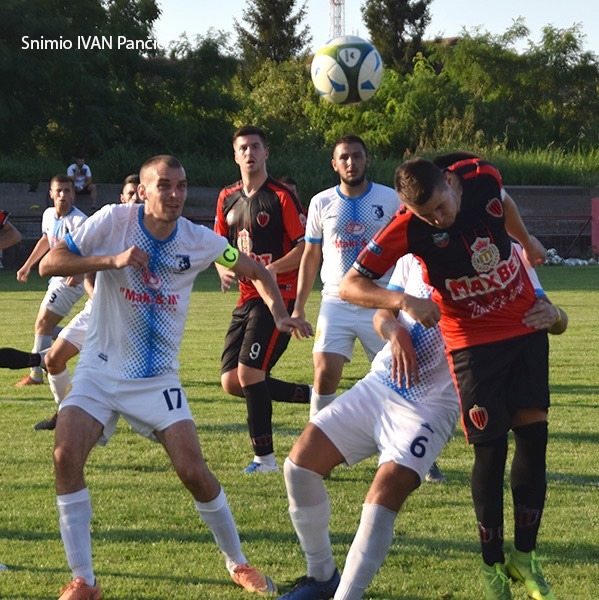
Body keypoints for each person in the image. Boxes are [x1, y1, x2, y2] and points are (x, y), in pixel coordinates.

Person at [38, 155, 312, 600]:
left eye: (181, 186)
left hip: (157, 378)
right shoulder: (112, 221)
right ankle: (84, 581)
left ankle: (238, 563)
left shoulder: (199, 239)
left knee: (193, 471)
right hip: (100, 369)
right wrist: (111, 261)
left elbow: (255, 268)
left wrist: (280, 315)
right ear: (142, 191)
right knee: (65, 456)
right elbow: (53, 262)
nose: (175, 194)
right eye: (164, 185)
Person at [339, 156, 560, 600]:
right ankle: (493, 567)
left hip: (522, 325)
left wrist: (526, 239)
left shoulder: (484, 178)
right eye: (427, 215)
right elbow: (350, 285)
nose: (438, 219)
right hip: (472, 342)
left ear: (451, 183)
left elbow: (506, 200)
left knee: (534, 438)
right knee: (490, 450)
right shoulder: (407, 226)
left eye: (440, 206)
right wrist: (402, 301)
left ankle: (525, 556)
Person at [214, 126, 311, 474]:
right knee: (231, 382)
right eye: (243, 148)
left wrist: (265, 269)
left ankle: (264, 460)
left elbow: (304, 250)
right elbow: (218, 247)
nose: (250, 153)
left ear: (266, 153)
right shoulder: (226, 197)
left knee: (250, 373)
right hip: (245, 299)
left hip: (275, 300)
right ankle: (311, 395)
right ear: (236, 155)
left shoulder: (282, 197)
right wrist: (222, 267)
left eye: (256, 147)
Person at [290, 135, 399, 419]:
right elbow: (311, 255)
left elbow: (403, 249)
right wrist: (299, 307)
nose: (351, 163)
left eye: (357, 156)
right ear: (334, 165)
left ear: (367, 160)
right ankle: (316, 439)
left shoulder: (390, 199)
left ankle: (406, 444)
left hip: (378, 298)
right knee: (324, 372)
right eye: (344, 158)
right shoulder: (321, 202)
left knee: (395, 377)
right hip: (335, 300)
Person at [34, 174, 144, 430]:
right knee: (54, 360)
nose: (135, 199)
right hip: (95, 311)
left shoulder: (158, 234)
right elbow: (86, 277)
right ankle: (64, 414)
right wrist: (98, 298)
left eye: (139, 194)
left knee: (123, 379)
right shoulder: (106, 229)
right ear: (122, 198)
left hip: (131, 317)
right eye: (130, 195)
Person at [15, 175, 87, 387]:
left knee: (43, 323)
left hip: (71, 280)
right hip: (56, 277)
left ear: (73, 194)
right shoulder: (48, 215)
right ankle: (86, 338)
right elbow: (46, 239)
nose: (63, 195)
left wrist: (80, 272)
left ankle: (36, 375)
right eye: (59, 190)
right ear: (51, 194)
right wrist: (28, 265)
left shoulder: (79, 221)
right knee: (45, 325)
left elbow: (90, 249)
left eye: (67, 190)